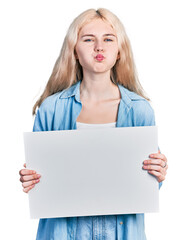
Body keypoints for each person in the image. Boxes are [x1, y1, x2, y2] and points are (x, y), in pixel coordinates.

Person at [19, 8, 168, 240]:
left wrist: (157, 175)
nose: (99, 47)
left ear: (119, 51)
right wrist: (32, 179)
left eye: (108, 39)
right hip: (63, 233)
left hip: (121, 232)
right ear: (75, 51)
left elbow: (144, 188)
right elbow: (41, 185)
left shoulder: (140, 110)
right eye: (88, 39)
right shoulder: (51, 109)